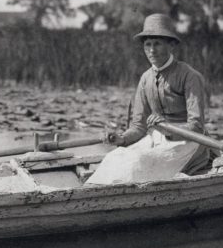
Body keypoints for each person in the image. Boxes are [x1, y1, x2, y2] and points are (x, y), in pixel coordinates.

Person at [85, 13, 215, 185]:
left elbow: (197, 127)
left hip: (188, 144)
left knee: (137, 162)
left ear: (171, 45)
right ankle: (98, 194)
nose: (152, 50)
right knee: (113, 157)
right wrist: (122, 139)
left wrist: (168, 129)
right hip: (156, 140)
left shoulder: (189, 76)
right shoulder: (145, 79)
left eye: (157, 44)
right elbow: (139, 126)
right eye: (148, 44)